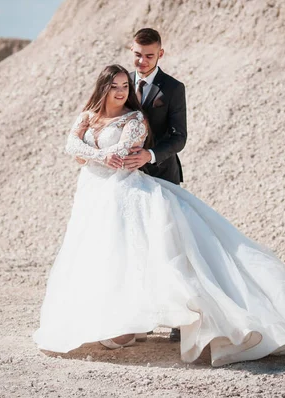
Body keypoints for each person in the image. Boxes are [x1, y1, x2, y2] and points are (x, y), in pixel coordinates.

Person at [33, 63, 285, 367]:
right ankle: (114, 320)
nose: (120, 91)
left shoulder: (135, 119)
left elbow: (122, 154)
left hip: (122, 191)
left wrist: (90, 155)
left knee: (132, 253)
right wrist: (97, 154)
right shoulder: (88, 116)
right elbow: (70, 144)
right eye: (114, 86)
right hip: (90, 193)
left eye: (125, 86)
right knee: (97, 255)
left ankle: (137, 325)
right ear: (102, 87)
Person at [124, 28, 187, 342]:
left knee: (169, 246)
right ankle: (145, 315)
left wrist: (149, 154)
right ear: (131, 49)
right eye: (137, 53)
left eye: (149, 55)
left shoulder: (174, 88)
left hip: (164, 176)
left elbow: (179, 137)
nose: (142, 60)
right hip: (129, 180)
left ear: (161, 54)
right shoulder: (122, 84)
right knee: (138, 246)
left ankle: (179, 318)